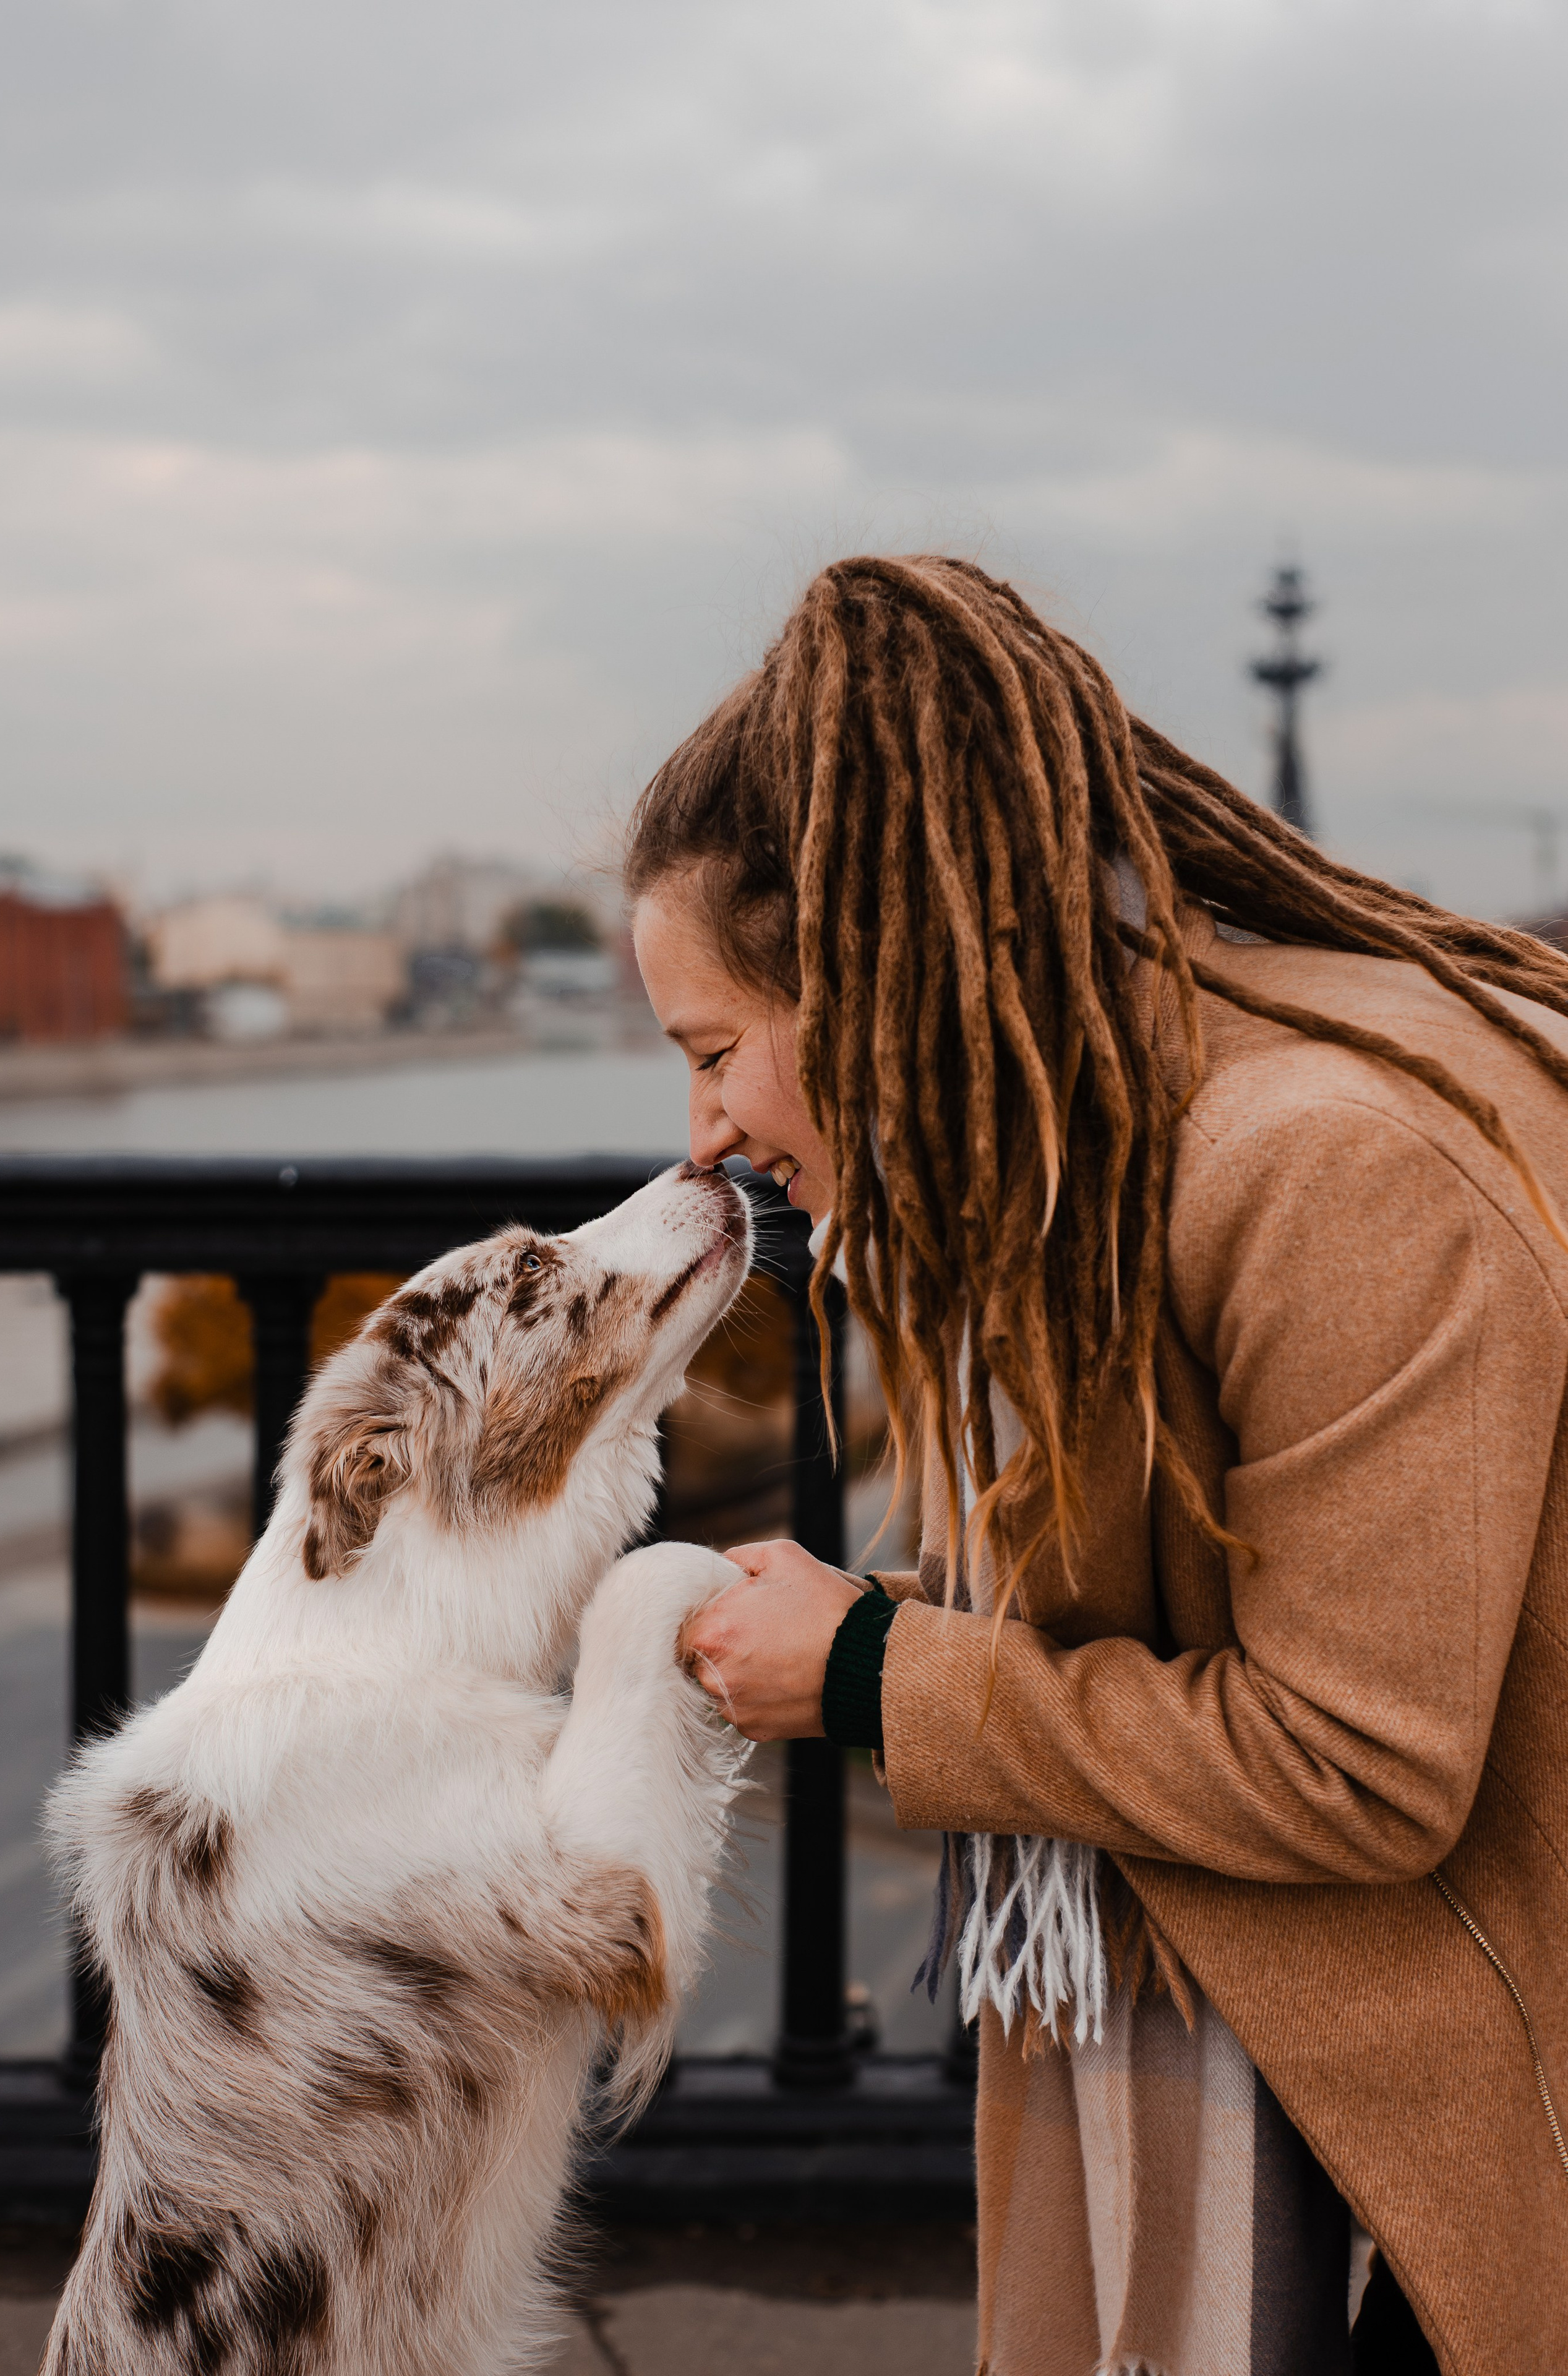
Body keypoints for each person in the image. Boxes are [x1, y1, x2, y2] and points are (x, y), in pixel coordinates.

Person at [623, 554, 1568, 2376]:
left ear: (876, 972)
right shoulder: (1145, 1136)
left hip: (1460, 2196)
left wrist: (881, 1670)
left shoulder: (1325, 1168)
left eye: (718, 1049)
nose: (708, 1134)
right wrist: (880, 1630)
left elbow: (1365, 1759)